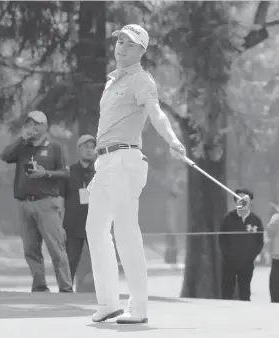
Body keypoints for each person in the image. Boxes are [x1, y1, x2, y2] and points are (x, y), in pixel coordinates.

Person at [85, 24, 186, 324]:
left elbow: (155, 112)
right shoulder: (112, 82)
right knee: (96, 230)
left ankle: (138, 308)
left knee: (126, 232)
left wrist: (173, 140)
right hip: (104, 164)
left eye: (129, 44)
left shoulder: (142, 79)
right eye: (119, 41)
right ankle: (108, 303)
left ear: (141, 50)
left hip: (125, 160)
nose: (121, 47)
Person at [0, 110, 73, 293]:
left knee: (56, 248)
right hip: (24, 204)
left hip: (46, 203)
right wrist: (20, 139)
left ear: (45, 126)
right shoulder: (22, 147)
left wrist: (45, 173)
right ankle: (39, 285)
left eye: (36, 123)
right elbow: (5, 156)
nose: (32, 127)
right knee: (30, 249)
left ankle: (65, 287)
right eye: (29, 123)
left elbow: (65, 173)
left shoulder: (55, 147)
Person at [61, 135, 96, 285]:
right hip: (73, 224)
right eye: (86, 146)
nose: (89, 150)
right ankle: (66, 291)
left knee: (100, 258)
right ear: (78, 149)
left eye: (92, 147)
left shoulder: (100, 172)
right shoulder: (68, 173)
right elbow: (61, 198)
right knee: (71, 259)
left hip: (95, 223)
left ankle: (105, 293)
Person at [219, 188, 264, 301]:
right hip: (229, 263)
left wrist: (251, 256)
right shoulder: (228, 218)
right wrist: (227, 256)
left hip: (247, 263)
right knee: (227, 292)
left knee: (245, 292)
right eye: (238, 199)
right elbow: (222, 239)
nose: (241, 201)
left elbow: (259, 241)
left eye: (244, 199)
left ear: (250, 202)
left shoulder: (255, 220)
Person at [267, 203, 279, 303]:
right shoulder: (276, 218)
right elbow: (270, 232)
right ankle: (275, 300)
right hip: (277, 255)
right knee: (275, 280)